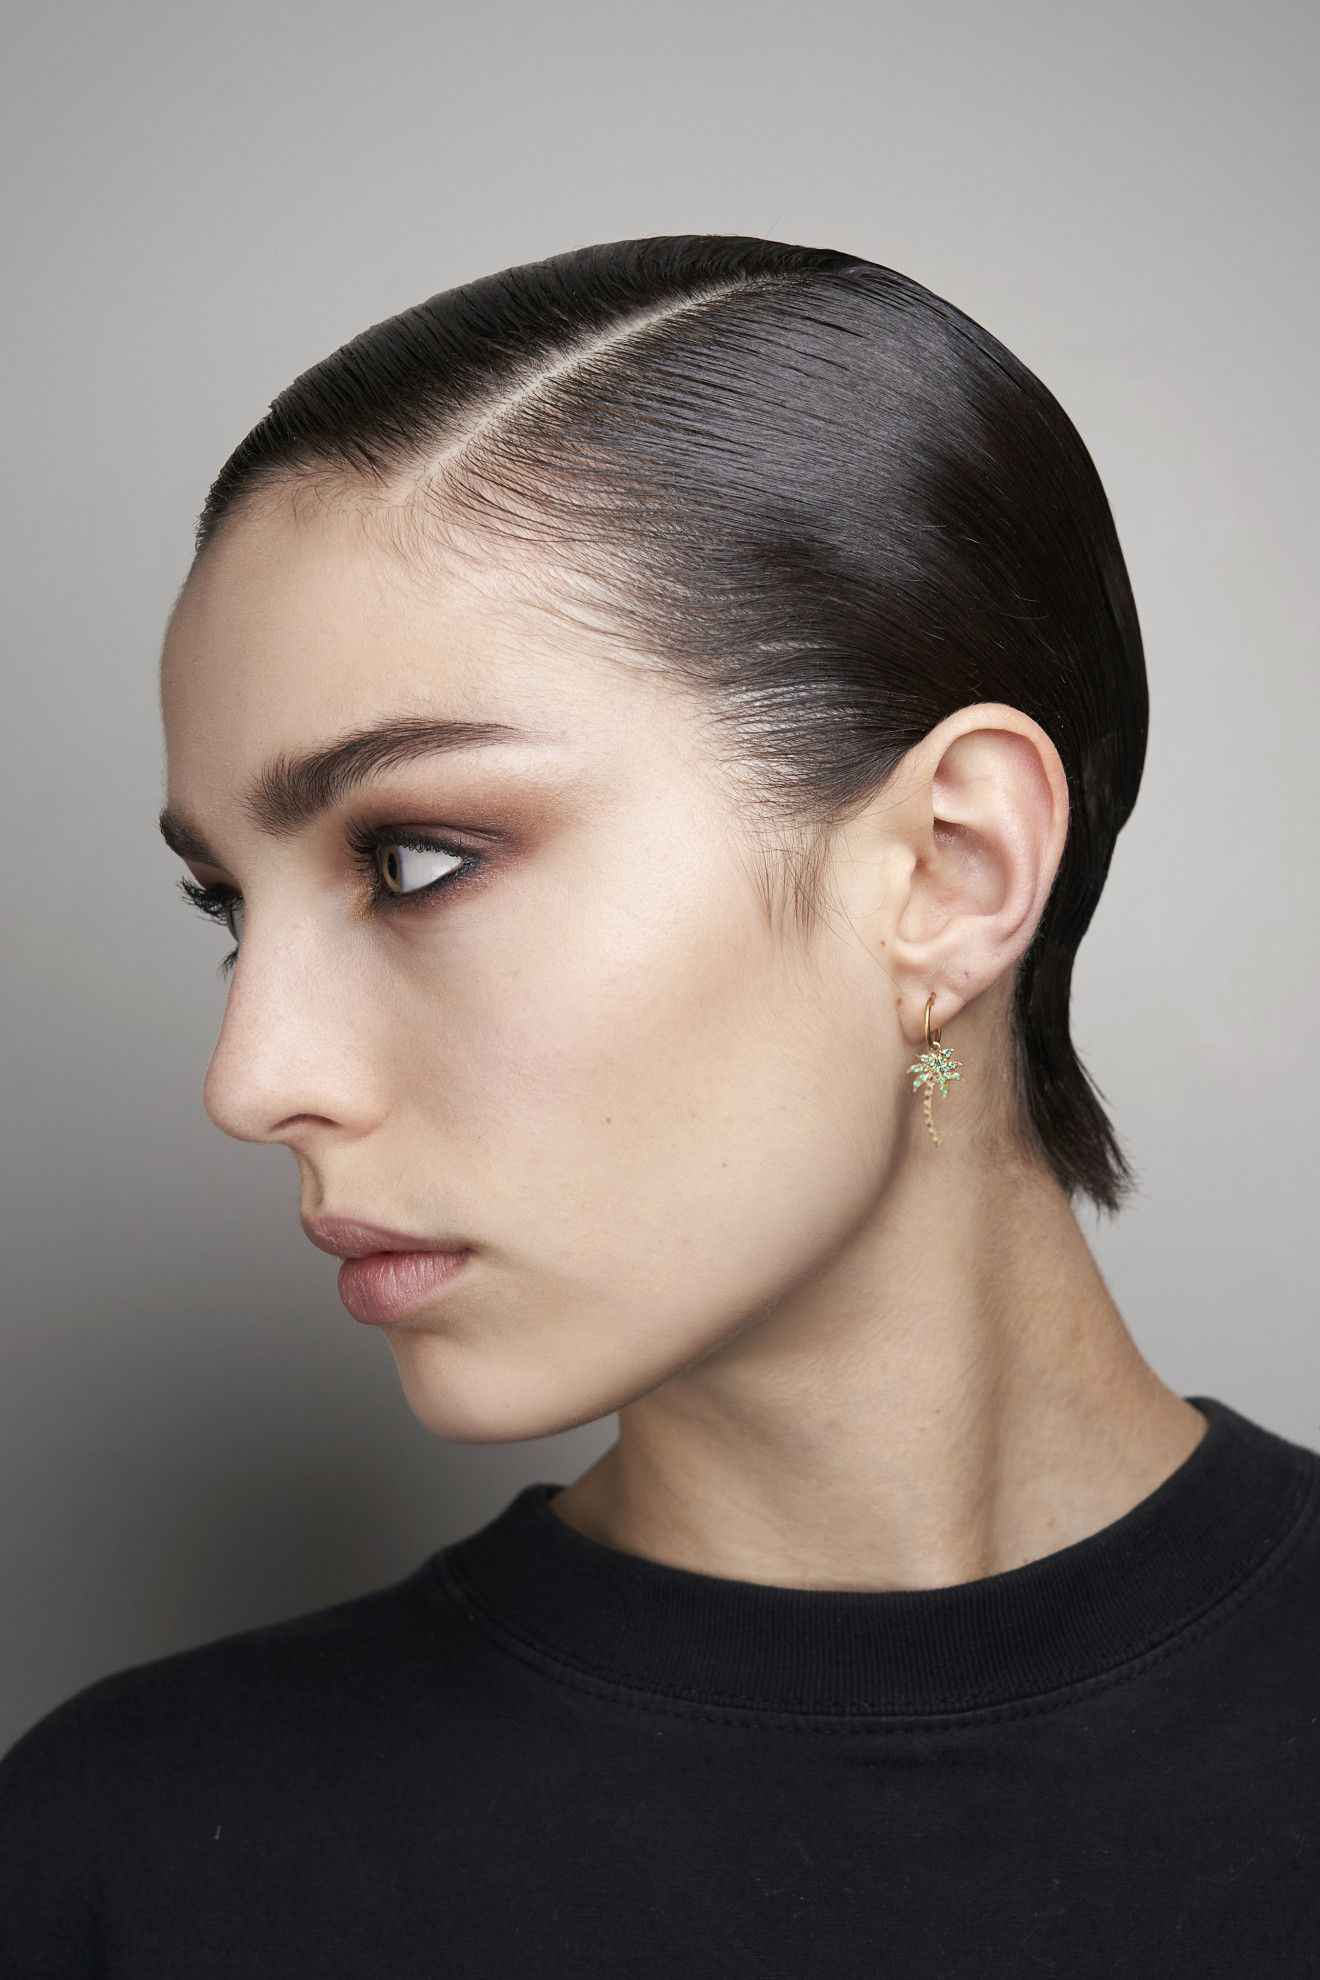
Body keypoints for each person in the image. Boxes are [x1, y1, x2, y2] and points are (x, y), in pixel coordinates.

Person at [2, 234, 1316, 1975]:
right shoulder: (124, 1861)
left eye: (410, 859)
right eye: (229, 911)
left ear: (947, 871)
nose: (253, 1081)